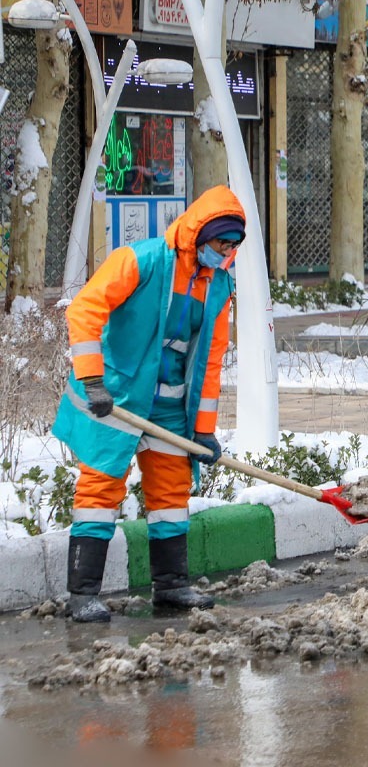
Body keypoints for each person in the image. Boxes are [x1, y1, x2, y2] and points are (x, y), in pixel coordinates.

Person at [53, 186, 246, 622]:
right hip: (116, 395)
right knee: (99, 490)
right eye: (222, 244)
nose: (228, 253)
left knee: (171, 493)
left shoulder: (218, 286)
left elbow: (211, 360)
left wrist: (203, 429)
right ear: (200, 234)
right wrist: (91, 378)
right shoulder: (141, 260)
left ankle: (172, 586)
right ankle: (82, 594)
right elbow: (85, 310)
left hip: (168, 406)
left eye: (234, 246)